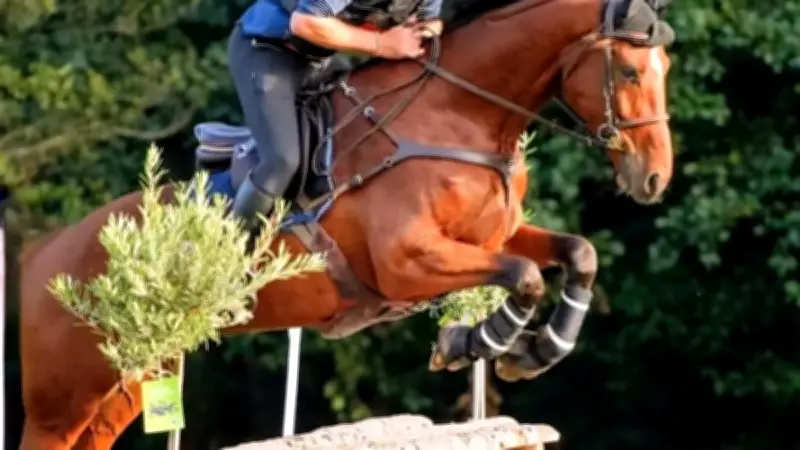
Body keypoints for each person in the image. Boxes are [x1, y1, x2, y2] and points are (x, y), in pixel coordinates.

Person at [228, 0, 444, 232]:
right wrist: (380, 43)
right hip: (268, 51)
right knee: (283, 161)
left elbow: (430, 23)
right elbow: (304, 22)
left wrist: (421, 32)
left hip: (320, 61)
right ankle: (229, 247)